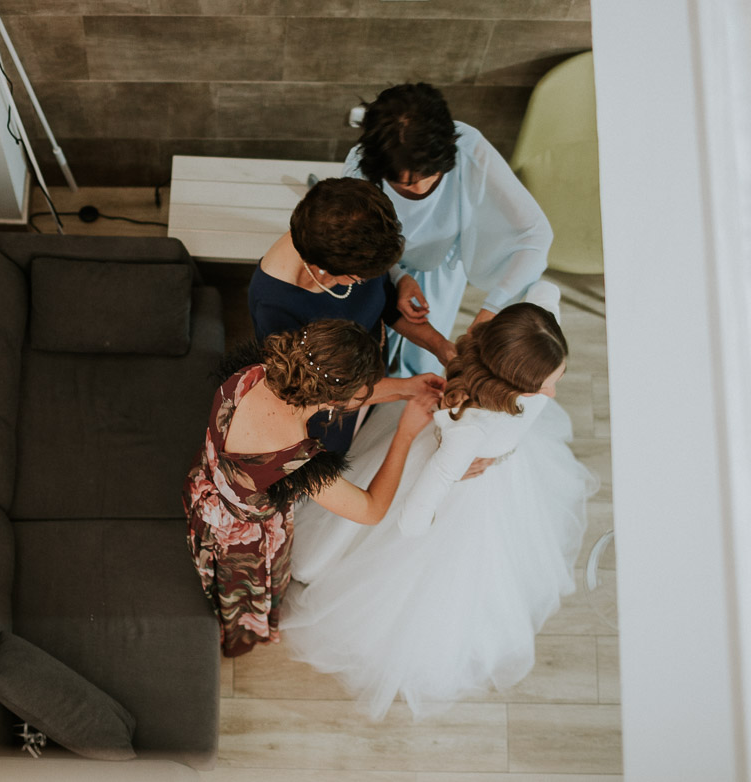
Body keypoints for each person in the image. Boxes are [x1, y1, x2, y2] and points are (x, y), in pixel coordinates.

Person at [281, 283, 597, 718]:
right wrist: (447, 504)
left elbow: (546, 290)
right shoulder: (468, 433)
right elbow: (411, 521)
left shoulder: (523, 336)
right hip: (458, 491)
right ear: (511, 382)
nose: (553, 395)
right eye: (545, 386)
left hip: (502, 473)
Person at [182, 319, 439, 658]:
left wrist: (406, 387)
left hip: (207, 485)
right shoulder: (292, 455)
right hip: (243, 540)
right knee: (241, 596)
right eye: (364, 387)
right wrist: (405, 433)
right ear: (336, 396)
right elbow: (371, 510)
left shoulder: (258, 372)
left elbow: (333, 393)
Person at [344, 82, 552, 378]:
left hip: (438, 263)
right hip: (370, 266)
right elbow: (358, 245)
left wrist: (490, 310)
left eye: (431, 175)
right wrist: (398, 276)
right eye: (404, 184)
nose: (421, 188)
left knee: (426, 360)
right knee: (367, 348)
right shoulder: (358, 171)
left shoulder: (468, 145)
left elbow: (535, 234)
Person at [248, 176, 451, 453]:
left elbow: (387, 306)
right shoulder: (275, 306)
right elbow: (314, 392)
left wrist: (442, 347)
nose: (368, 279)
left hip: (372, 375)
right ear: (325, 269)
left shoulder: (353, 246)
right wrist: (405, 388)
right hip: (329, 408)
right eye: (360, 277)